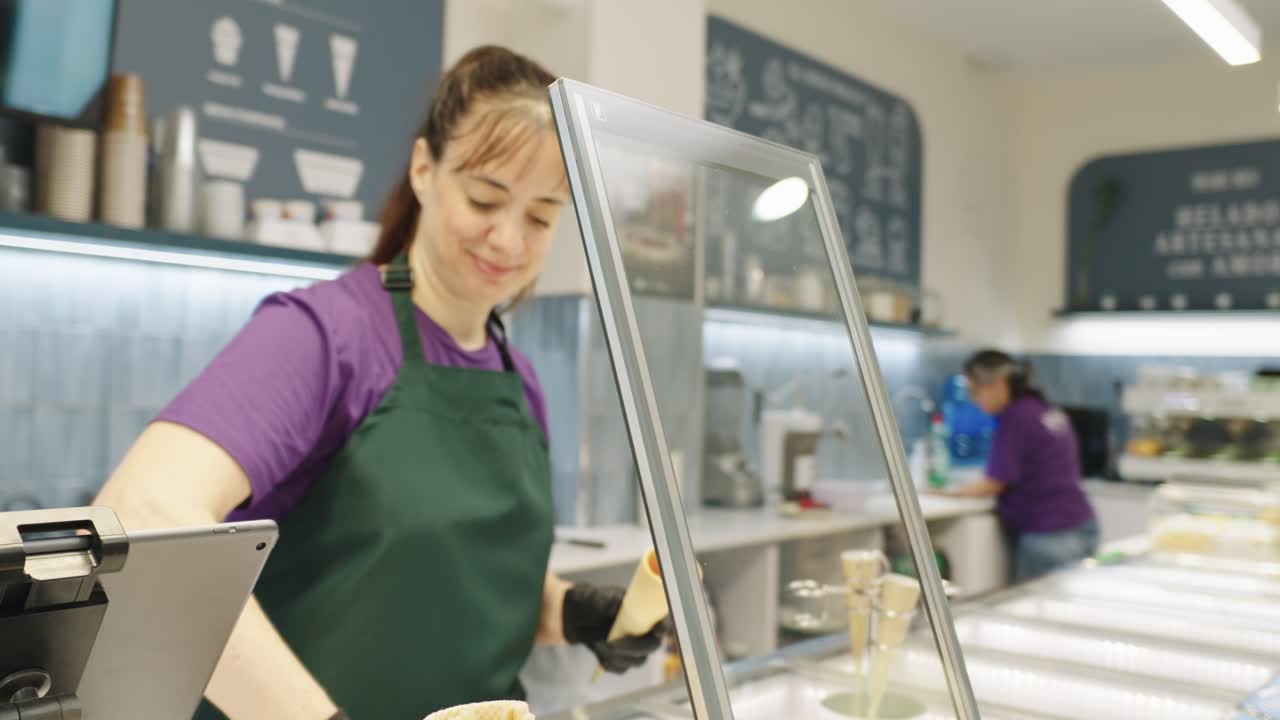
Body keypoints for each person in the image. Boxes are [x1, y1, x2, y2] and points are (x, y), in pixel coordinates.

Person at [94, 46, 665, 719]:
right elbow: (144, 517)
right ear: (424, 170)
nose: (508, 240)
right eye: (485, 198)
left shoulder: (520, 377)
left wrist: (572, 611)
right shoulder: (326, 335)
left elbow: (452, 585)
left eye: (541, 216)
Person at [937, 350, 1098, 581]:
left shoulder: (1015, 419)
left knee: (1041, 608)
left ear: (999, 384)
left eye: (975, 391)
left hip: (1049, 534)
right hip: (1081, 523)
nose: (974, 400)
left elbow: (993, 484)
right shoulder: (1042, 409)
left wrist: (944, 492)